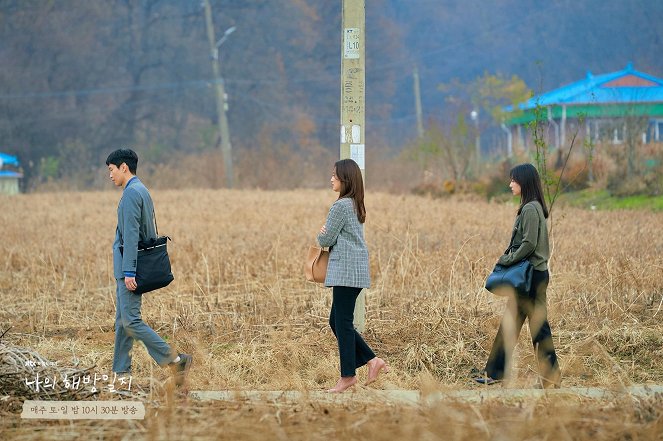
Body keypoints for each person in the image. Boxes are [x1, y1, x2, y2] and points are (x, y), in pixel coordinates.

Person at [106, 148, 192, 386]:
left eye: (111, 170)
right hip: (128, 268)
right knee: (123, 322)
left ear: (124, 167)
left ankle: (175, 360)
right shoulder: (141, 190)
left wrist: (129, 271)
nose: (110, 175)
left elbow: (132, 235)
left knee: (131, 321)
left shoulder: (132, 194)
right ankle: (121, 375)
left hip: (129, 269)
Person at [475, 163, 561, 388]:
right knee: (517, 325)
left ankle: (499, 374)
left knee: (534, 328)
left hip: (531, 277)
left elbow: (529, 244)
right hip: (534, 276)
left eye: (514, 180)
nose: (510, 184)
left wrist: (506, 259)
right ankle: (496, 373)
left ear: (523, 182)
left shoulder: (531, 209)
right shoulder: (532, 207)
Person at [317, 158, 388, 393]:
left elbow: (325, 240)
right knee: (337, 321)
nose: (331, 179)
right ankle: (371, 360)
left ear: (345, 179)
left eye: (334, 176)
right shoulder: (356, 203)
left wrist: (322, 233)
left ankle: (348, 376)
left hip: (346, 271)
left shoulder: (341, 206)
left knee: (342, 323)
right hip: (354, 270)